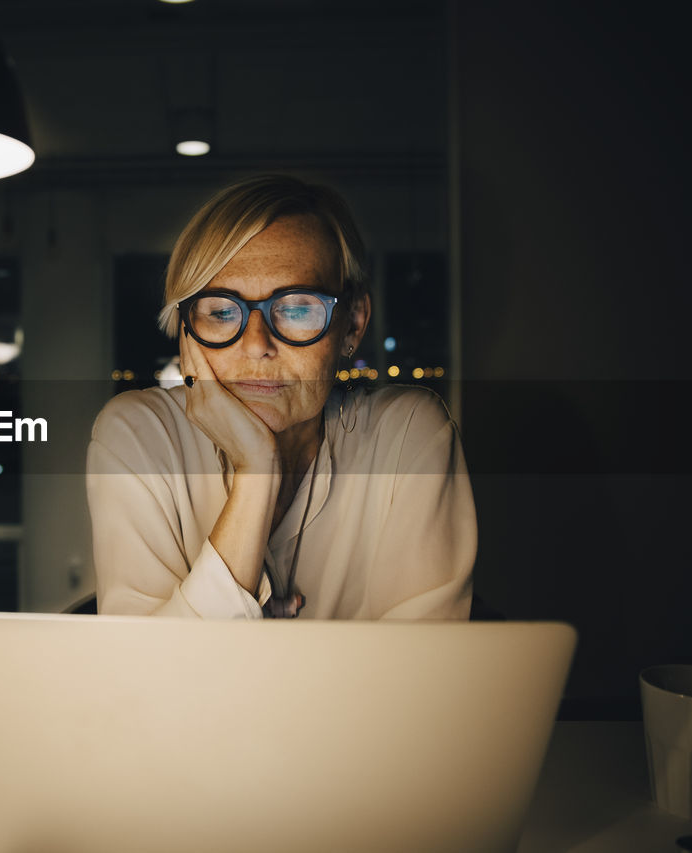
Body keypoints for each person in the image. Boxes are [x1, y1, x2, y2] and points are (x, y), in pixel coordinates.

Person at [86, 174, 475, 619]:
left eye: (295, 308)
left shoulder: (407, 436)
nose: (256, 344)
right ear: (188, 328)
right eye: (220, 311)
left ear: (351, 324)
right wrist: (257, 474)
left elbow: (425, 676)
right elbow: (142, 676)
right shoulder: (139, 435)